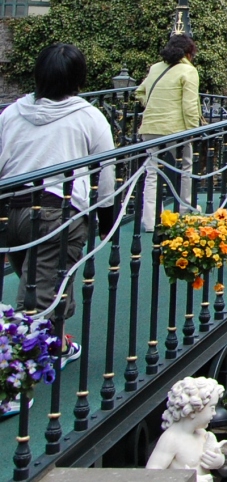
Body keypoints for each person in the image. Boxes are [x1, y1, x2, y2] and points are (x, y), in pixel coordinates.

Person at [0, 43, 113, 409]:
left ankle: (59, 345)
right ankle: (14, 387)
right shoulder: (88, 116)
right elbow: (106, 172)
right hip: (57, 215)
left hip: (11, 211)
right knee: (37, 298)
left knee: (45, 281)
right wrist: (107, 220)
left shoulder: (11, 113)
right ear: (78, 79)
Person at [136, 34, 201, 230]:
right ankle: (185, 210)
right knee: (185, 167)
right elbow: (189, 106)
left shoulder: (155, 68)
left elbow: (139, 91)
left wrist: (152, 105)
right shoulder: (189, 71)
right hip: (175, 130)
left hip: (150, 127)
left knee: (152, 171)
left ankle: (150, 220)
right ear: (188, 53)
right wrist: (193, 131)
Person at [146, 377, 227, 482]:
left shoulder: (202, 434)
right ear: (194, 410)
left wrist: (218, 461)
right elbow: (151, 474)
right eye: (212, 408)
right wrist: (187, 478)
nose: (214, 413)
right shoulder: (171, 438)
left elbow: (217, 453)